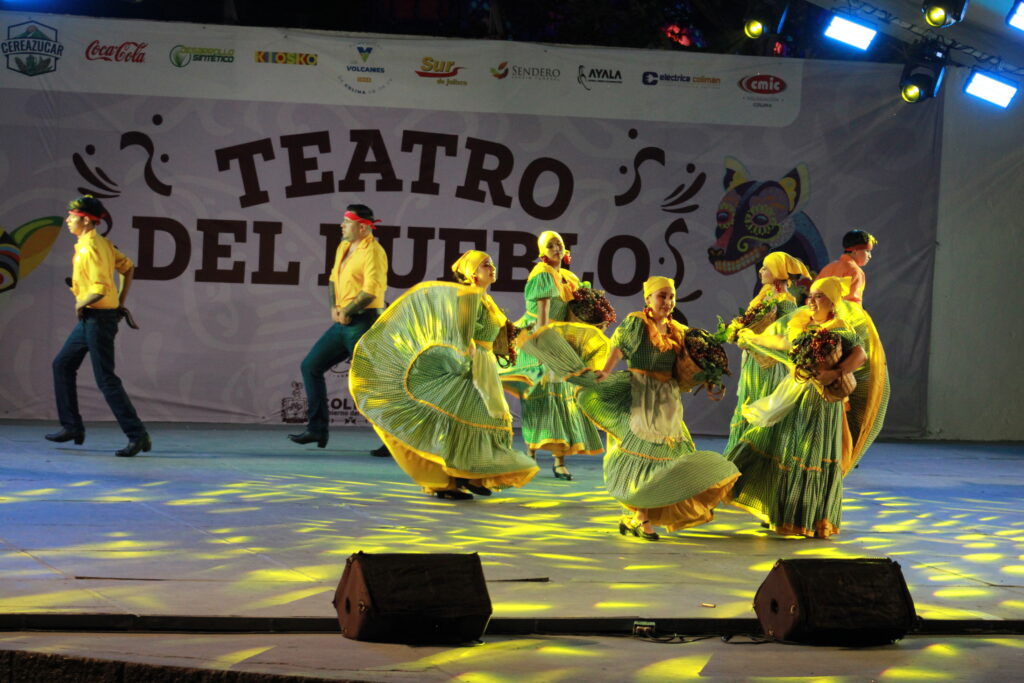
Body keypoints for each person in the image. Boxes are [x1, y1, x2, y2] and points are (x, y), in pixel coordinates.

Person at [349, 250, 539, 499]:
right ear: (472, 273)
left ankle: (472, 475)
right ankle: (450, 482)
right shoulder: (469, 298)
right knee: (470, 420)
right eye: (485, 265)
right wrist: (466, 364)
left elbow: (496, 334)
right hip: (473, 367)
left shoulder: (486, 300)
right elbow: (462, 336)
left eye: (492, 263)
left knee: (484, 420)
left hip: (485, 365)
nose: (492, 268)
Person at [725, 276, 889, 538]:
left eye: (819, 296)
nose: (811, 301)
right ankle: (783, 515)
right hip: (796, 395)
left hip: (821, 402)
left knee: (811, 453)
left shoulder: (839, 327)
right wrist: (752, 338)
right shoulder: (804, 323)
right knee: (787, 447)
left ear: (832, 302)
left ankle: (810, 520)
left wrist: (835, 373)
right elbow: (783, 344)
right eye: (810, 296)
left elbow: (860, 354)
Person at [578, 276, 740, 540]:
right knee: (645, 455)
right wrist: (605, 372)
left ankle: (633, 516)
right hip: (641, 394)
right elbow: (619, 347)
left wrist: (708, 378)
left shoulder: (678, 330)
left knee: (668, 458)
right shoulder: (637, 323)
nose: (668, 301)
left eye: (671, 296)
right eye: (662, 296)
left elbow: (691, 363)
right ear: (648, 298)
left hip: (667, 400)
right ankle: (641, 518)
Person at [45, 195, 150, 457]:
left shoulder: (91, 247)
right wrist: (120, 302)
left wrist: (80, 303)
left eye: (72, 217)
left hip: (98, 319)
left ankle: (137, 435)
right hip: (94, 318)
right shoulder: (99, 243)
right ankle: (72, 426)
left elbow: (100, 289)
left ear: (85, 220)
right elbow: (128, 267)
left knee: (106, 379)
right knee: (62, 364)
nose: (67, 220)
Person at [499, 230, 603, 480]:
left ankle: (559, 461)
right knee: (539, 396)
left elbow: (572, 314)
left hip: (557, 337)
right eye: (550, 246)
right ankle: (530, 456)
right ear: (542, 252)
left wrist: (589, 326)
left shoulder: (568, 277)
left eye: (559, 244)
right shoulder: (543, 274)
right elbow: (543, 321)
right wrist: (549, 349)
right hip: (538, 338)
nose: (556, 249)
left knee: (563, 398)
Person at [288, 204, 386, 451]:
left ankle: (393, 440)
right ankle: (317, 429)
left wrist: (347, 310)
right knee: (311, 366)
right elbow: (333, 279)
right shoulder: (344, 246)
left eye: (347, 222)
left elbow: (371, 291)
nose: (342, 225)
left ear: (362, 227)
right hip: (344, 321)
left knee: (370, 383)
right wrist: (335, 308)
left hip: (364, 322)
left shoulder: (373, 252)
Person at [724, 252, 810, 455]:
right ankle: (739, 454)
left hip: (769, 364)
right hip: (754, 360)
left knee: (760, 402)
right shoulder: (765, 295)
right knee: (748, 401)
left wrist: (756, 339)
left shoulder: (786, 301)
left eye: (766, 268)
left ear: (777, 272)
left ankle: (756, 455)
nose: (761, 271)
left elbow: (788, 336)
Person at [815, 229, 877, 304]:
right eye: (867, 251)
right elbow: (852, 303)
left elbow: (814, 295)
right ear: (855, 251)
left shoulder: (828, 268)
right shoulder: (855, 272)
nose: (870, 256)